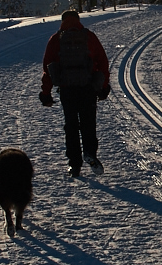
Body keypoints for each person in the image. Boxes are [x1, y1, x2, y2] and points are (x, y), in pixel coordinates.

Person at [39, 10, 111, 177]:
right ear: (78, 20)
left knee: (71, 126)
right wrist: (103, 86)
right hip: (88, 88)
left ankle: (74, 164)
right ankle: (90, 154)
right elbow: (103, 62)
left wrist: (46, 93)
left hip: (66, 89)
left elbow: (47, 69)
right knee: (88, 124)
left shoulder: (56, 39)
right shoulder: (89, 37)